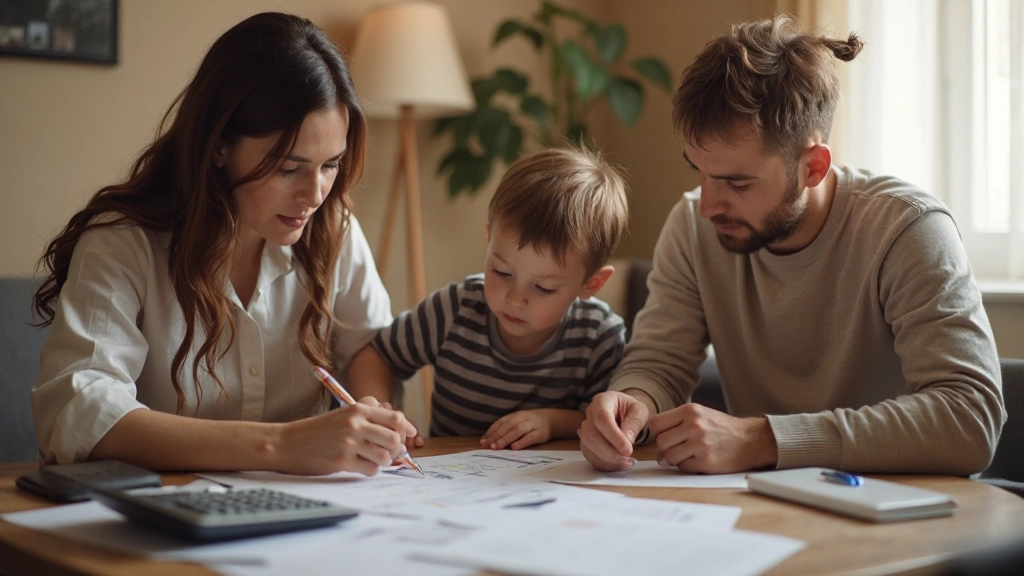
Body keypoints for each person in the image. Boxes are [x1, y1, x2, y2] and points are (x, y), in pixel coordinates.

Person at [579, 14, 1005, 475]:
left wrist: (762, 439)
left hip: (902, 501)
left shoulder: (908, 230)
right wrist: (632, 404)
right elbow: (660, 363)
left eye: (737, 183)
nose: (708, 206)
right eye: (699, 172)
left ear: (813, 167)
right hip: (765, 501)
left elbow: (970, 418)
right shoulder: (692, 227)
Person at [30, 12, 417, 476]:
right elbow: (76, 409)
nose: (315, 195)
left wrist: (370, 412)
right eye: (289, 168)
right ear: (219, 146)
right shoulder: (123, 243)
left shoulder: (335, 230)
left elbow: (371, 350)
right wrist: (281, 445)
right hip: (161, 507)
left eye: (331, 165)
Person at [349, 147, 629, 450]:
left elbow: (607, 420)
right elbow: (377, 356)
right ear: (489, 238)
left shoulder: (600, 337)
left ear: (591, 284)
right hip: (447, 472)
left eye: (543, 288)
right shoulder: (456, 308)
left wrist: (551, 422)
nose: (516, 298)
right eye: (502, 272)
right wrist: (378, 410)